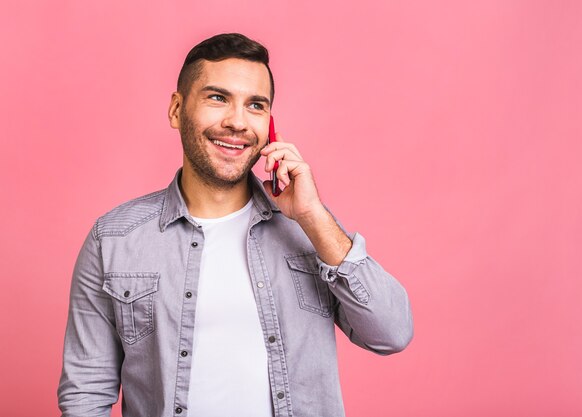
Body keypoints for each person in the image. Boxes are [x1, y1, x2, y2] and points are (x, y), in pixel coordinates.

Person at [57, 33, 413, 417]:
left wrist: (312, 216)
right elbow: (86, 391)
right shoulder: (113, 239)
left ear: (270, 125)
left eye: (255, 105)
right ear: (177, 110)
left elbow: (391, 334)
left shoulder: (310, 230)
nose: (237, 122)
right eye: (217, 97)